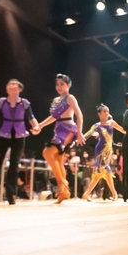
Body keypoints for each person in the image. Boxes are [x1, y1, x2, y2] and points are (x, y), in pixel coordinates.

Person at [35, 74, 85, 204]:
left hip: (68, 129)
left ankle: (63, 182)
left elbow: (79, 115)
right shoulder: (56, 100)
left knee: (47, 152)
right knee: (58, 159)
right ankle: (64, 192)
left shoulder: (70, 98)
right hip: (58, 129)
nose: (59, 86)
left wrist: (80, 132)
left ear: (69, 85)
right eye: (57, 84)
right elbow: (53, 117)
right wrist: (40, 125)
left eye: (62, 84)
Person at [81, 104, 125, 202]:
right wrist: (80, 138)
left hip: (108, 151)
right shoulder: (96, 126)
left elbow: (122, 129)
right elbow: (88, 134)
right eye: (104, 111)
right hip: (100, 150)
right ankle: (114, 194)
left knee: (100, 172)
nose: (106, 113)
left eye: (107, 111)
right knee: (106, 170)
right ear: (99, 114)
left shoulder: (111, 123)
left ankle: (87, 193)